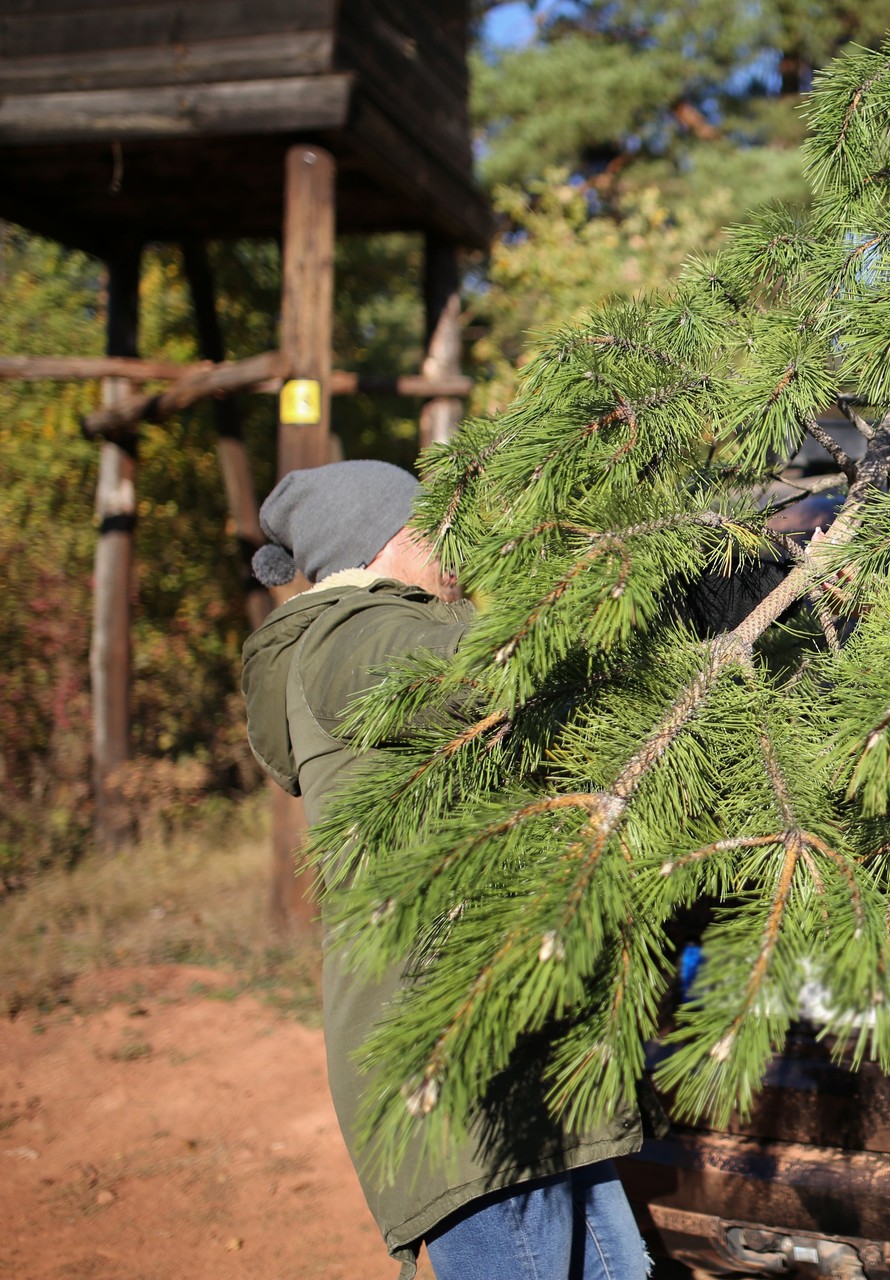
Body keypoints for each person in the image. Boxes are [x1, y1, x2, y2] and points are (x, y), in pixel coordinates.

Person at [241, 460, 660, 1280]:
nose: (456, 548)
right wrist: (633, 593)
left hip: (512, 1028)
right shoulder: (348, 635)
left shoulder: (378, 629)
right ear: (384, 541)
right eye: (437, 528)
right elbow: (485, 669)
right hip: (454, 1056)